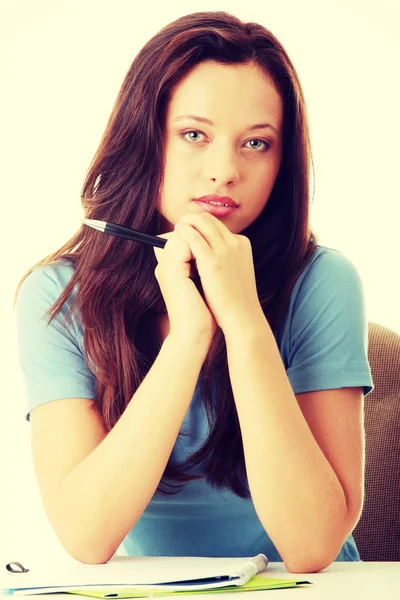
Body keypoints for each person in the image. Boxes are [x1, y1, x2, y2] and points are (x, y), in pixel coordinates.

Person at [14, 10, 374, 573]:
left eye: (256, 143)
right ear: (145, 137)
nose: (224, 171)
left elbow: (311, 547)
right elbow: (86, 535)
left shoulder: (323, 281)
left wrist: (244, 320)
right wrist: (190, 335)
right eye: (194, 135)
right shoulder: (57, 295)